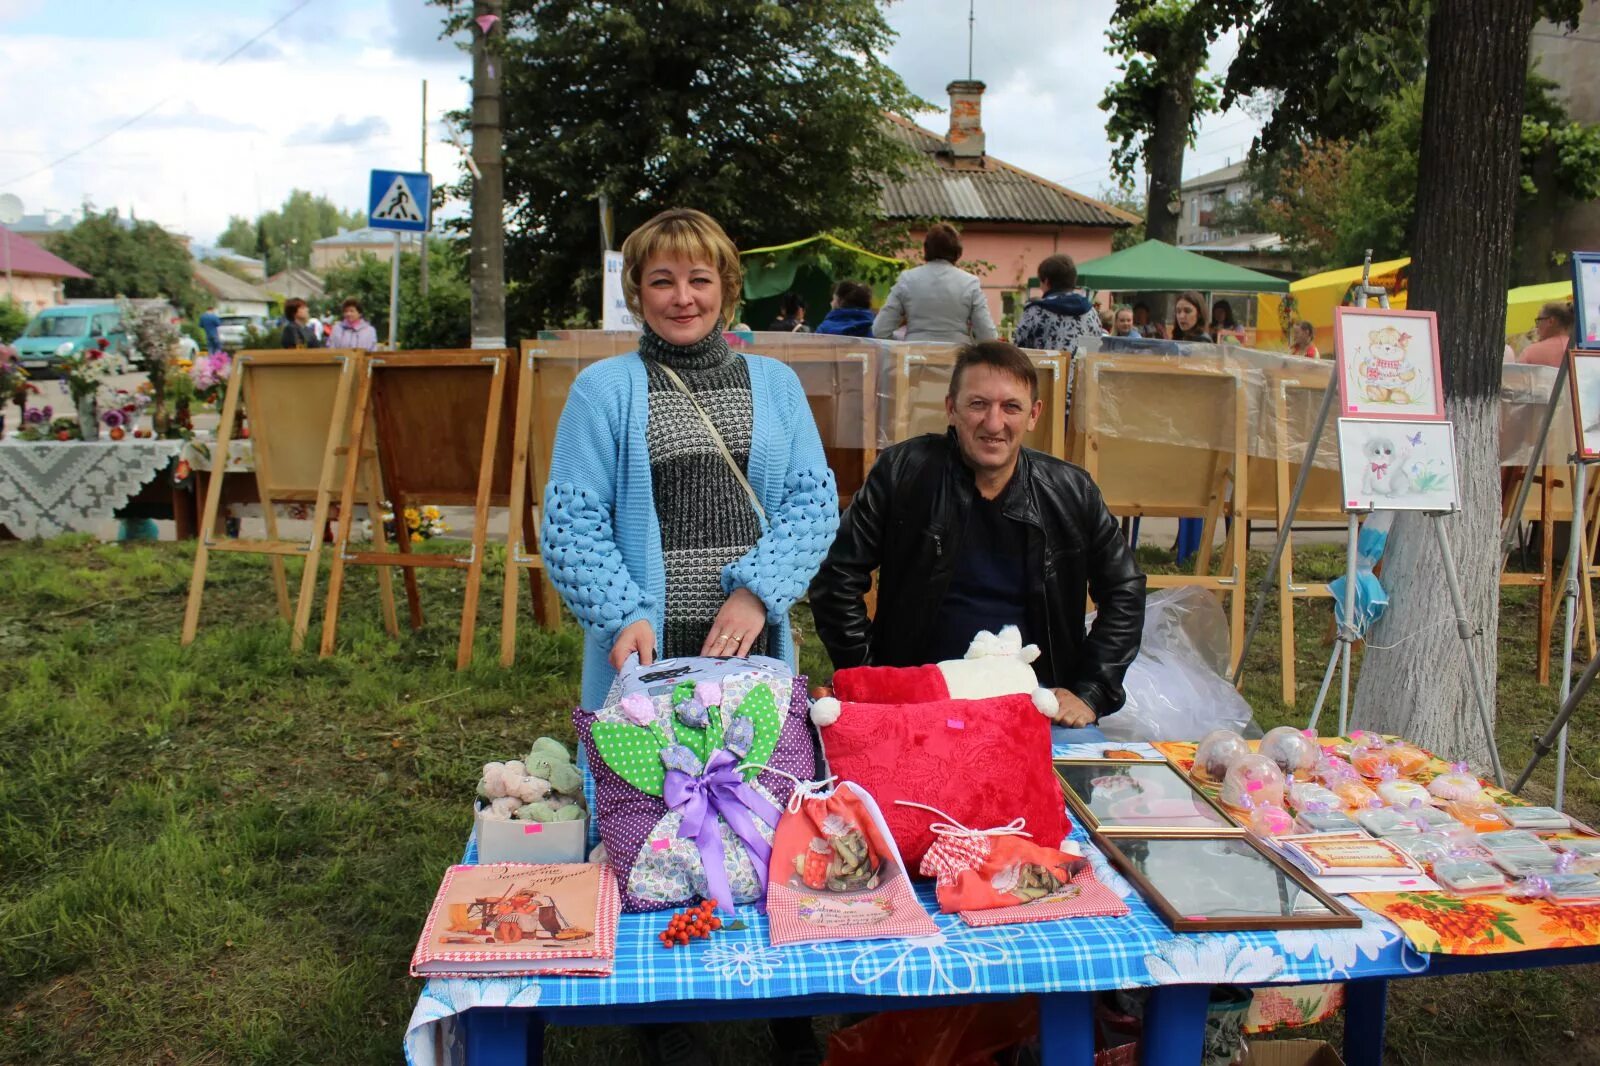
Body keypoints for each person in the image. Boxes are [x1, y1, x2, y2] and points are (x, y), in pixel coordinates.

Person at [540, 207, 837, 1066]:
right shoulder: (604, 390)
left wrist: (758, 593)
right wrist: (622, 612)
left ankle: (788, 1000)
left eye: (700, 279)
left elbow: (814, 504)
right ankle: (665, 1009)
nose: (682, 297)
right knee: (652, 819)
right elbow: (573, 519)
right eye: (663, 279)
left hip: (748, 650)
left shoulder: (775, 385)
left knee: (762, 812)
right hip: (645, 648)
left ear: (727, 288)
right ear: (635, 290)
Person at [809, 339, 1147, 738]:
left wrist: (1090, 692)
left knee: (1067, 795)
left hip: (1035, 703)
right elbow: (836, 579)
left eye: (1011, 407)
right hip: (920, 698)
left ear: (1034, 414)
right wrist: (871, 678)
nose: (993, 423)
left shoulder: (1071, 491)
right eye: (978, 404)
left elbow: (1125, 589)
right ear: (951, 408)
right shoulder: (902, 473)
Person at [872, 222, 997, 343]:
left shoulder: (907, 279)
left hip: (915, 358)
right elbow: (988, 336)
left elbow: (879, 330)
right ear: (958, 251)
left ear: (926, 248)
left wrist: (903, 344)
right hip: (958, 359)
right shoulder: (970, 283)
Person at [1011, 254, 1103, 351]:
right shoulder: (1091, 313)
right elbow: (1096, 348)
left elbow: (1018, 350)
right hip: (1081, 366)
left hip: (1044, 365)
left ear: (1046, 281)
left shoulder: (1035, 311)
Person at [1517, 302, 1574, 368]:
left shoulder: (1531, 352)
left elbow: (1515, 376)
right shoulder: (1579, 349)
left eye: (1538, 320)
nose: (1536, 326)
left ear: (1550, 321)